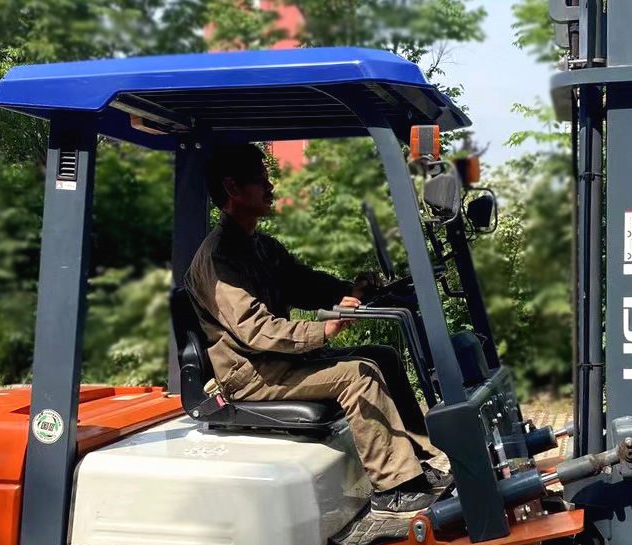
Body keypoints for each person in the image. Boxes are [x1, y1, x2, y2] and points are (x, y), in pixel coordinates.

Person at [186, 143, 444, 519]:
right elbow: (255, 331)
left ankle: (416, 462)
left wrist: (348, 291)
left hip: (276, 362)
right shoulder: (219, 257)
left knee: (382, 356)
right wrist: (323, 330)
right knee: (359, 375)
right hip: (252, 374)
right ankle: (395, 489)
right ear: (232, 188)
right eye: (261, 179)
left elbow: (302, 283)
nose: (271, 186)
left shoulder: (259, 246)